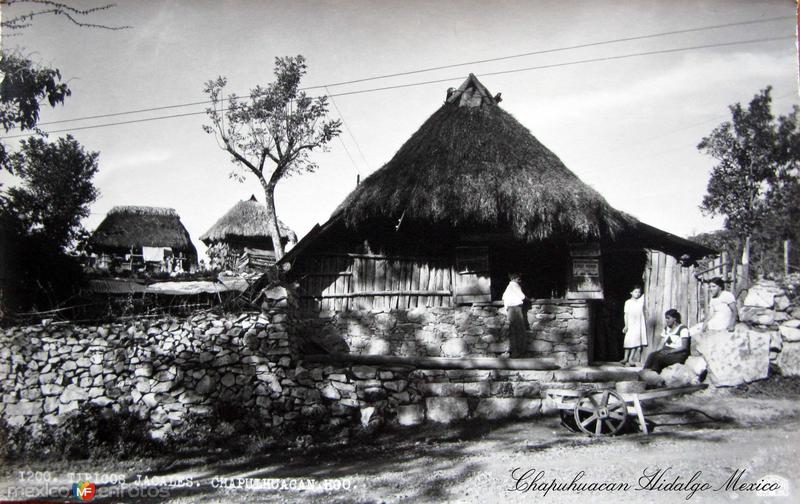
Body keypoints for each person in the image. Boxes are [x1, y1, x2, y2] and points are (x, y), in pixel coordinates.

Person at [643, 309, 690, 373]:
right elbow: (661, 344)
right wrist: (656, 352)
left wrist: (670, 351)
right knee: (652, 355)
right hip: (667, 351)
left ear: (674, 319)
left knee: (659, 358)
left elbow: (684, 346)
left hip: (678, 353)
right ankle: (644, 374)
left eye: (668, 318)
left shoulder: (683, 329)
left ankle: (654, 376)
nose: (666, 320)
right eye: (666, 318)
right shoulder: (666, 329)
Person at [621, 284, 647, 367]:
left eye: (639, 292)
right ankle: (625, 358)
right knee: (628, 341)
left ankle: (630, 359)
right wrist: (626, 325)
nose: (637, 293)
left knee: (635, 342)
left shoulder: (640, 301)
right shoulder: (628, 302)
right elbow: (626, 314)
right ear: (631, 292)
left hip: (638, 324)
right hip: (630, 323)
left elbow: (646, 294)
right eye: (635, 292)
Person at [503, 273, 527, 358]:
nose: (519, 279)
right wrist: (528, 299)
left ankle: (513, 351)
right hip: (515, 309)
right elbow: (522, 296)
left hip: (510, 309)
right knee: (519, 330)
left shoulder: (508, 287)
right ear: (514, 278)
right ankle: (519, 352)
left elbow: (504, 298)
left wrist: (507, 310)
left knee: (512, 330)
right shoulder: (515, 285)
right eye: (518, 278)